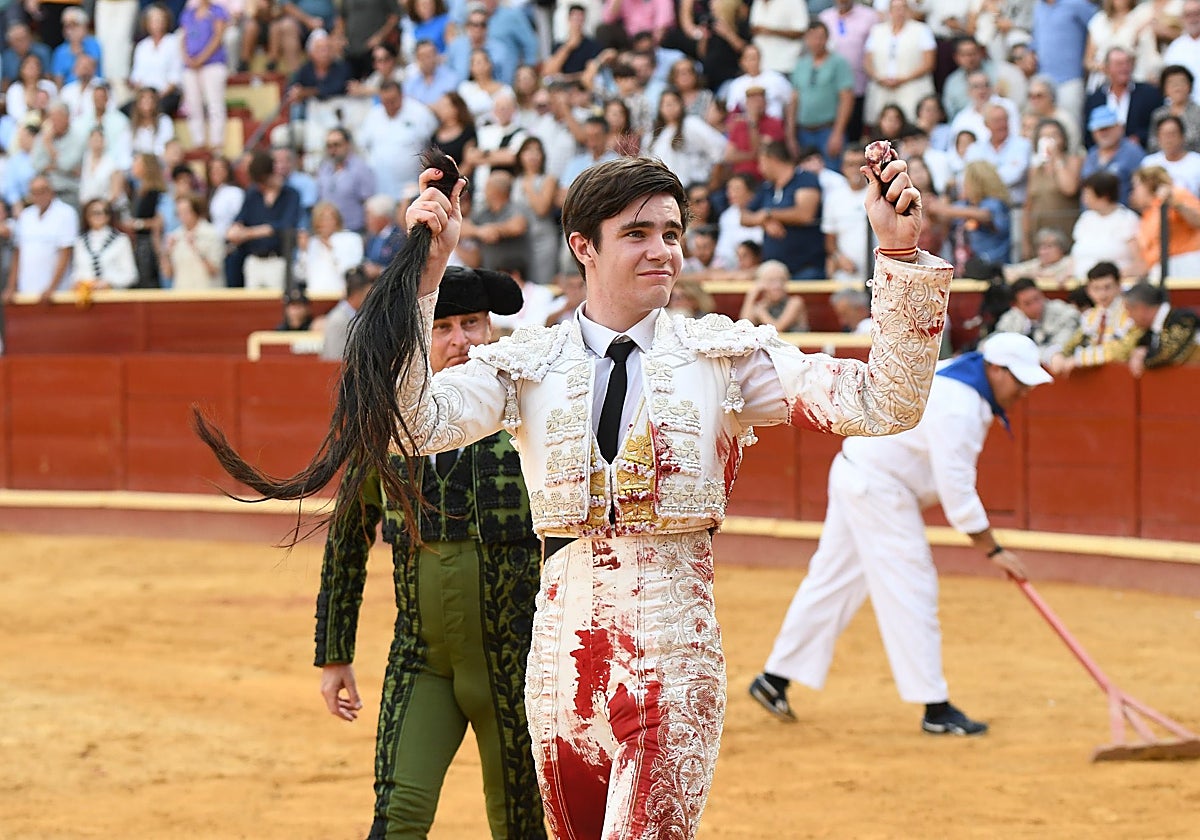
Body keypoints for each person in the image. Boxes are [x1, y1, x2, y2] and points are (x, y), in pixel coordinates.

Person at [371, 150, 952, 838]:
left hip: (674, 648)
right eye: (639, 234)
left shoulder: (724, 358)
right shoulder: (527, 365)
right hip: (558, 656)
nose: (663, 252)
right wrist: (426, 281)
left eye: (672, 234)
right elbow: (411, 423)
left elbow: (884, 403)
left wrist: (897, 249)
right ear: (583, 246)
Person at [314, 266, 546, 838]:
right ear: (419, 338)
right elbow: (346, 539)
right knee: (395, 820)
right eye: (442, 327)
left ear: (492, 329)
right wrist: (335, 652)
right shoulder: (389, 425)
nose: (460, 339)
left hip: (520, 667)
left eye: (472, 323)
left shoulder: (532, 419)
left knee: (525, 826)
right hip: (421, 662)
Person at [749, 332, 1048, 735]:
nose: (1025, 391)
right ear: (995, 370)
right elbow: (956, 488)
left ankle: (775, 678)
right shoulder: (960, 405)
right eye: (1021, 381)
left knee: (832, 583)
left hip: (858, 472)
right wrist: (992, 549)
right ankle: (935, 707)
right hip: (880, 489)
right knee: (912, 587)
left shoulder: (957, 379)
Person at [742, 141, 824, 279]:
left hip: (805, 268)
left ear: (772, 160)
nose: (759, 168)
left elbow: (805, 215)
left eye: (761, 162)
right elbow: (743, 216)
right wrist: (765, 222)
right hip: (774, 270)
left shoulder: (805, 179)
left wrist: (768, 214)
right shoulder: (767, 187)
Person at [1048, 261, 1137, 376]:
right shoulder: (1090, 316)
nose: (1102, 294)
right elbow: (1072, 343)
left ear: (1119, 286)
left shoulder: (1131, 313)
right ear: (1088, 290)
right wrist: (1057, 354)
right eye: (1096, 288)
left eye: (1107, 287)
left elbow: (1123, 349)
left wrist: (1080, 360)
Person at [3, 176, 78, 304]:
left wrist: (52, 288)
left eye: (42, 191)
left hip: (56, 294)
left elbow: (65, 253)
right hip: (25, 291)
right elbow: (18, 253)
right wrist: (11, 286)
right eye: (34, 192)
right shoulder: (26, 216)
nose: (39, 196)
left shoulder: (66, 213)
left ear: (51, 191)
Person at [993, 276, 1082, 362]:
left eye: (1037, 298)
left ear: (1041, 293)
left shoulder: (1064, 313)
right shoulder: (1011, 319)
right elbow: (991, 344)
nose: (1035, 306)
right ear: (1016, 306)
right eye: (1027, 303)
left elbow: (1061, 348)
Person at [1070, 171, 1142, 277]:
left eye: (1087, 193)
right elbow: (1074, 256)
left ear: (1104, 196)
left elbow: (1139, 261)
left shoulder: (1127, 219)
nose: (1084, 198)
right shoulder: (1085, 218)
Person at [1123, 280, 1200, 374]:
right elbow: (1143, 344)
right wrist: (1138, 350)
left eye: (1129, 311)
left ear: (1141, 308)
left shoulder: (1183, 318)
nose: (1129, 316)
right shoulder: (1151, 329)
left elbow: (1167, 353)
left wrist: (1143, 357)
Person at [164, 194, 225, 290]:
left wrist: (196, 248)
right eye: (179, 213)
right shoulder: (175, 236)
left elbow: (214, 270)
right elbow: (168, 274)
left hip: (206, 293)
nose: (182, 216)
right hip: (182, 294)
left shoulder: (211, 233)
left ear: (196, 212)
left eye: (186, 212)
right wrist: (167, 253)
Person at [73, 200, 136, 290]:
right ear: (86, 215)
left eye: (105, 212)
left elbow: (131, 275)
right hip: (85, 297)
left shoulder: (121, 240)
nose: (100, 216)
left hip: (112, 296)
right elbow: (77, 271)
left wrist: (108, 282)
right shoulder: (80, 241)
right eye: (95, 212)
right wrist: (79, 282)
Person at [316, 265, 374, 361]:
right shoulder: (338, 320)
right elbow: (335, 360)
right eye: (367, 293)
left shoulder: (359, 315)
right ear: (357, 294)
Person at [738, 259, 808, 332]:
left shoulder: (795, 302)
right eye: (771, 280)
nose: (778, 285)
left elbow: (778, 329)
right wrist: (751, 296)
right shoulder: (762, 305)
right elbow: (743, 329)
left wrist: (761, 313)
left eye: (782, 280)